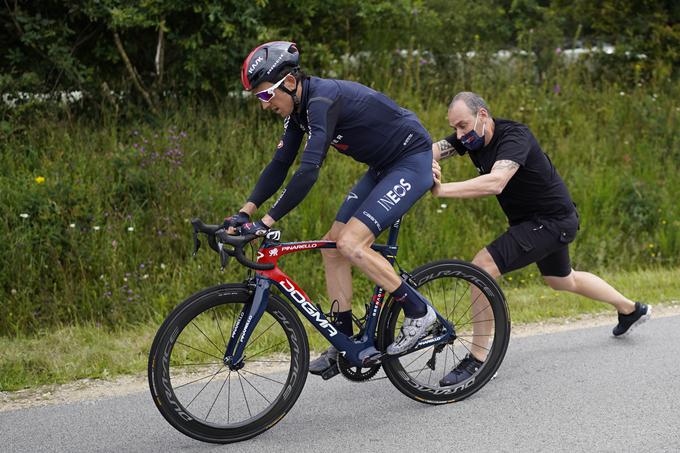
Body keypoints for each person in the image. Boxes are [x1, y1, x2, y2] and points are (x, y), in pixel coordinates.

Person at [227, 41, 437, 375]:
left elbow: (308, 171)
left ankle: (418, 312)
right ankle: (344, 339)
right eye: (259, 99)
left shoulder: (322, 101)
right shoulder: (299, 111)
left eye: (267, 95)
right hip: (383, 166)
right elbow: (280, 164)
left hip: (410, 161)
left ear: (290, 83)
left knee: (350, 243)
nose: (264, 105)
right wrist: (246, 211)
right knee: (332, 249)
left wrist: (267, 221)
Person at [430, 91, 651, 386]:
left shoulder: (514, 137)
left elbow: (496, 182)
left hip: (551, 221)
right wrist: (401, 163)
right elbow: (432, 150)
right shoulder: (471, 137)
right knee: (562, 280)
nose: (459, 134)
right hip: (535, 221)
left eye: (463, 126)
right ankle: (632, 310)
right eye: (455, 127)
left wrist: (441, 190)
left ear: (482, 115)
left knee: (482, 267)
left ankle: (480, 358)